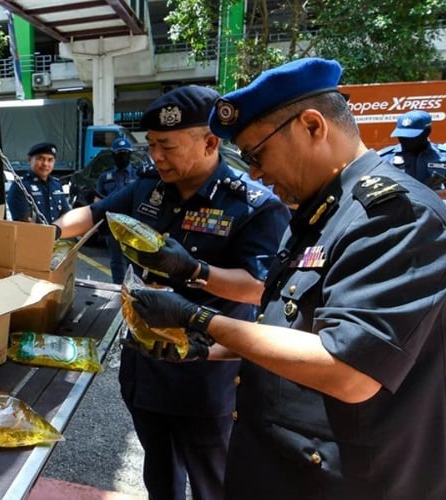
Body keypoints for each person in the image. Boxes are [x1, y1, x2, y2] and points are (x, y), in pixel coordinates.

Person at [130, 58, 446, 499]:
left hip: (346, 481)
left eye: (257, 155)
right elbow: (292, 327)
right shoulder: (321, 211)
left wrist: (199, 319)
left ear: (313, 126)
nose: (255, 173)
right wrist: (207, 350)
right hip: (283, 469)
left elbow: (349, 369)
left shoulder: (396, 217)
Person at [53, 85, 291, 500]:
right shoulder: (150, 188)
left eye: (167, 146)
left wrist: (196, 270)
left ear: (210, 142)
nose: (156, 156)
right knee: (159, 474)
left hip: (205, 372)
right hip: (146, 365)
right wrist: (45, 234)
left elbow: (259, 289)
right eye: (151, 146)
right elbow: (93, 214)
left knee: (211, 480)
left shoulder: (251, 206)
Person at [94, 137, 140, 284]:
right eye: (119, 153)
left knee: (135, 260)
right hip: (112, 225)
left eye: (125, 153)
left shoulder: (137, 174)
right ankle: (118, 289)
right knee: (116, 261)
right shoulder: (105, 176)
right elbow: (97, 201)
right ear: (113, 155)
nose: (122, 156)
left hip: (133, 226)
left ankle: (135, 290)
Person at [378, 109, 446, 199]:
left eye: (411, 136)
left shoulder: (443, 156)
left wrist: (439, 195)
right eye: (401, 135)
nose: (404, 140)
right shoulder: (385, 158)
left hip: (436, 210)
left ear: (427, 132)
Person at [6, 141, 71, 223]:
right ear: (29, 160)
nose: (45, 164)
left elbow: (65, 214)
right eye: (41, 159)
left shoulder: (56, 185)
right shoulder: (21, 186)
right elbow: (23, 221)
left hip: (56, 234)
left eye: (50, 160)